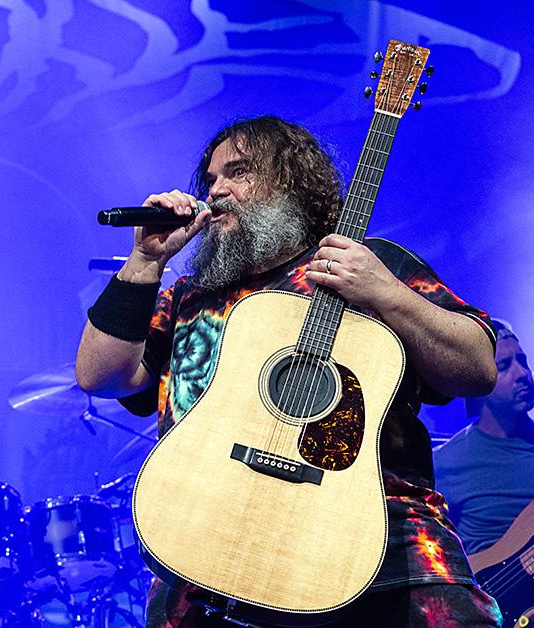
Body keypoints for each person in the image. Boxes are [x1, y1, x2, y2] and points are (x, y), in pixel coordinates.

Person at [75, 116, 501, 625]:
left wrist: (385, 292)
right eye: (210, 181)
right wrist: (144, 260)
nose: (219, 190)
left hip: (379, 547)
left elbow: (478, 369)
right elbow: (99, 377)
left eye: (239, 172)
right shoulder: (191, 295)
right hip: (205, 556)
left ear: (291, 182)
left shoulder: (368, 265)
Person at [434, 319, 534, 556]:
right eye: (505, 366)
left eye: (522, 361)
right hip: (485, 590)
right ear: (478, 381)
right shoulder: (444, 462)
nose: (522, 374)